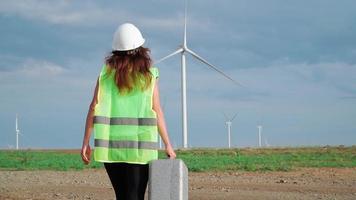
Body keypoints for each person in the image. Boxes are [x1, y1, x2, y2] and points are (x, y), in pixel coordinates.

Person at [80, 23, 176, 200]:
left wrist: (86, 142)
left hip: (111, 148)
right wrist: (167, 144)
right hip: (139, 149)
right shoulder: (149, 76)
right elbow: (157, 110)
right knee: (135, 196)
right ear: (141, 50)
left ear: (115, 52)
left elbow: (93, 106)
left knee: (122, 196)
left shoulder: (105, 76)